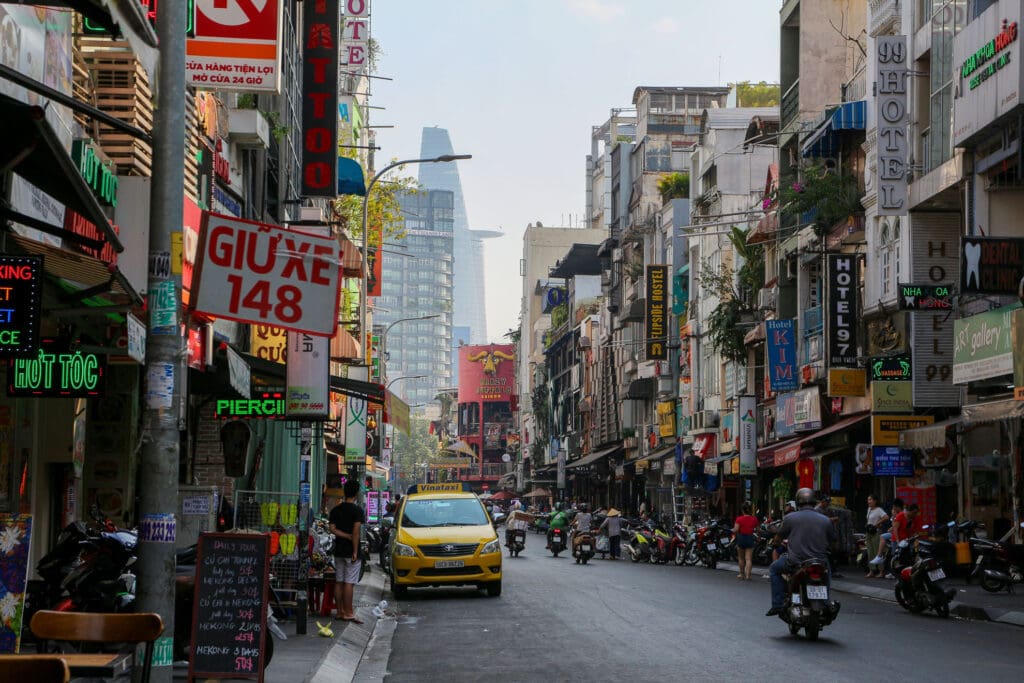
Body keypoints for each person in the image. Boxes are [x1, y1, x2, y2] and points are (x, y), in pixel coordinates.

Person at [766, 488, 837, 616]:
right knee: (827, 573)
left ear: (798, 502)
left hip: (796, 561)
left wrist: (776, 543)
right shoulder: (825, 520)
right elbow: (833, 540)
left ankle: (777, 604)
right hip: (820, 561)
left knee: (774, 569)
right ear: (814, 502)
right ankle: (826, 602)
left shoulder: (790, 518)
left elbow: (779, 537)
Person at [329, 478, 365, 623]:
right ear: (356, 493)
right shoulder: (357, 511)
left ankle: (339, 612)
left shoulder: (336, 510)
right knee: (349, 582)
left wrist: (344, 535)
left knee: (339, 581)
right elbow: (355, 532)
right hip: (350, 551)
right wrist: (355, 551)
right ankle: (349, 613)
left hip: (338, 550)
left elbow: (332, 529)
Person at [870, 498, 904, 570]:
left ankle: (880, 556)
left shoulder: (900, 515)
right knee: (883, 538)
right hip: (895, 535)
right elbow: (896, 526)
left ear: (897, 506)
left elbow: (896, 527)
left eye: (894, 507)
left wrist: (897, 540)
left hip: (897, 536)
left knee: (895, 556)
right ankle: (880, 556)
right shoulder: (899, 515)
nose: (893, 509)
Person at [864, 494, 889, 578]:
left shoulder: (879, 510)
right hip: (869, 533)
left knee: (878, 552)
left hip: (876, 532)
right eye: (868, 500)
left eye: (870, 499)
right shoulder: (869, 509)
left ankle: (881, 571)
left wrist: (877, 524)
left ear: (875, 501)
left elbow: (886, 517)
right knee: (870, 552)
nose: (869, 501)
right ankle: (872, 571)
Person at [733, 502, 758, 580]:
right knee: (748, 558)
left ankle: (741, 574)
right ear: (750, 510)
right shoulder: (754, 519)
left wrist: (734, 532)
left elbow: (736, 530)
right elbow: (758, 530)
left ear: (742, 510)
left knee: (741, 558)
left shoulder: (739, 519)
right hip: (750, 538)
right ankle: (748, 575)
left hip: (741, 538)